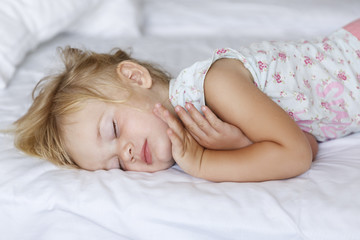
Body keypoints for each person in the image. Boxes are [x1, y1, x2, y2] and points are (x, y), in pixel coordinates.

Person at [13, 19, 360, 182]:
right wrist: (242, 144)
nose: (127, 153)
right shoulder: (204, 132)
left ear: (136, 77)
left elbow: (295, 156)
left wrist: (202, 163)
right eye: (117, 164)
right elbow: (307, 144)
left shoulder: (216, 85)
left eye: (114, 129)